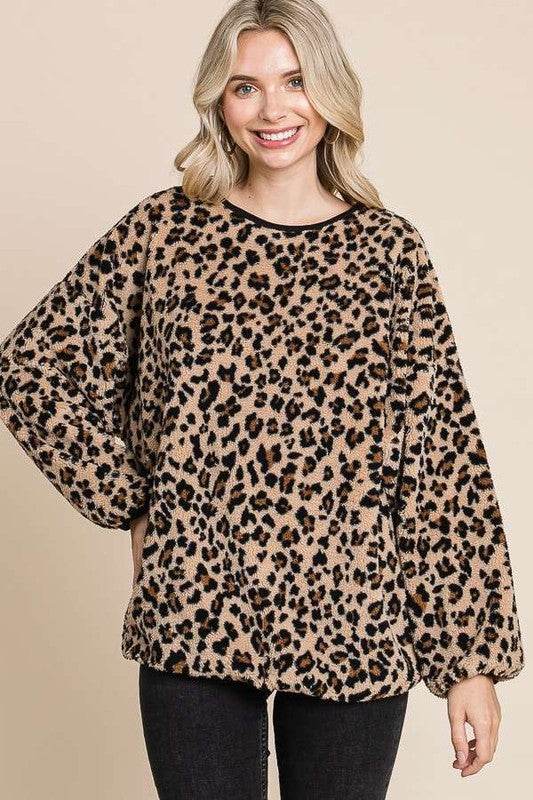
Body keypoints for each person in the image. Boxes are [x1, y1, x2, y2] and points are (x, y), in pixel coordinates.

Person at [0, 1, 525, 798]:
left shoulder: (387, 252)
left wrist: (468, 665)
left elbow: (441, 460)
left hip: (352, 618)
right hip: (196, 612)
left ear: (330, 91)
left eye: (294, 81)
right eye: (245, 87)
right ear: (219, 99)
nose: (272, 109)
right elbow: (33, 369)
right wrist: (134, 502)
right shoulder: (164, 233)